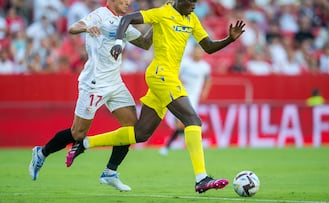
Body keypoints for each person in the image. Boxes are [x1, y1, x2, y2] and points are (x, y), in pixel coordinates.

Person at [67, 0, 245, 193]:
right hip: (161, 75)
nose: (194, 5)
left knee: (141, 133)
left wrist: (229, 39)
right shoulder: (162, 13)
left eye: (196, 2)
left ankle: (84, 143)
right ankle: (201, 178)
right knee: (192, 120)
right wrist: (119, 41)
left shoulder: (192, 19)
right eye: (191, 1)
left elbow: (208, 47)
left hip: (168, 78)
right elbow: (127, 18)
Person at [28, 0, 153, 192]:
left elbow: (145, 43)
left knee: (131, 128)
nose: (128, 2)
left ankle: (110, 172)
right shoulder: (100, 14)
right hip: (94, 83)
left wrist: (161, 22)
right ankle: (41, 153)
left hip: (115, 83)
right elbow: (73, 27)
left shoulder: (124, 21)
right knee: (78, 133)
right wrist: (87, 27)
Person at [159, 44, 211, 156]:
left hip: (193, 98)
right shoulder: (185, 64)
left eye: (199, 51)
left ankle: (169, 146)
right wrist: (179, 80)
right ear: (193, 52)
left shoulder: (204, 67)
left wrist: (205, 91)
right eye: (196, 51)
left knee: (184, 123)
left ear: (202, 53)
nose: (197, 53)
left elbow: (208, 79)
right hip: (181, 95)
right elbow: (174, 75)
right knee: (182, 124)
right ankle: (184, 144)